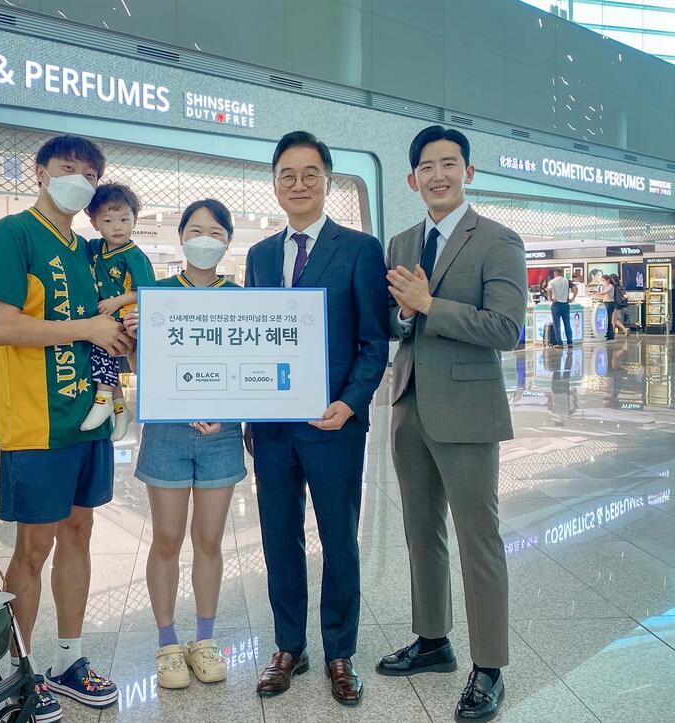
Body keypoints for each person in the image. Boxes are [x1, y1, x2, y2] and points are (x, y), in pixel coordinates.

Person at [0, 134, 131, 719]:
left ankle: (69, 659)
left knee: (81, 533)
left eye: (91, 174)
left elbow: (97, 325)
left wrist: (120, 334)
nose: (80, 180)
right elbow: (6, 327)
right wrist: (87, 330)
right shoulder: (13, 235)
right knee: (34, 545)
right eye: (69, 168)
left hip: (88, 419)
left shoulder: (86, 251)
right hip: (36, 420)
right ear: (40, 172)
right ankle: (21, 668)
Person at [378, 125, 526, 721]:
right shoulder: (400, 243)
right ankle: (433, 640)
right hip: (410, 401)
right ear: (412, 179)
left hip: (468, 408)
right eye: (427, 167)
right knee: (421, 531)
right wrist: (403, 317)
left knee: (478, 537)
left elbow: (506, 329)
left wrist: (429, 306)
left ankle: (489, 666)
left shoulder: (497, 239)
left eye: (450, 164)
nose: (438, 175)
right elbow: (393, 323)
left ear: (468, 172)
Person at [245, 131, 389, 707]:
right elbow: (251, 343)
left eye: (310, 174)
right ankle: (289, 647)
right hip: (274, 430)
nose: (298, 184)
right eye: (287, 174)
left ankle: (338, 652)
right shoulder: (258, 256)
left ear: (327, 181)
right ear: (274, 183)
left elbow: (374, 340)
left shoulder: (358, 248)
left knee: (339, 540)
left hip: (334, 424)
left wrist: (350, 402)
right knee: (279, 538)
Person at [124, 200, 245, 690]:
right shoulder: (154, 297)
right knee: (168, 539)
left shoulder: (242, 299)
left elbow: (250, 369)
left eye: (214, 231)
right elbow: (141, 368)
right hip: (167, 432)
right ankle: (168, 642)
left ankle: (206, 638)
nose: (204, 238)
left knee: (210, 540)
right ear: (180, 237)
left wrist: (229, 410)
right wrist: (132, 344)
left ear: (227, 241)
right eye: (195, 229)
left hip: (222, 435)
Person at [79, 183, 156, 442]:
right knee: (103, 355)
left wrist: (116, 301)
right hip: (104, 317)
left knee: (104, 350)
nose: (118, 226)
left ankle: (103, 400)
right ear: (95, 223)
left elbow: (147, 291)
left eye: (124, 219)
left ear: (135, 219)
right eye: (108, 220)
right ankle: (120, 409)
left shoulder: (134, 256)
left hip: (125, 317)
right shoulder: (95, 248)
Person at [548, 268, 577, 348]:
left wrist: (551, 299)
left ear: (555, 273)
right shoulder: (567, 281)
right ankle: (570, 342)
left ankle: (559, 343)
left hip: (556, 304)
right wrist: (572, 298)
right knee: (567, 324)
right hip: (565, 304)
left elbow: (549, 289)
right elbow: (575, 289)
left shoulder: (552, 282)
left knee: (557, 325)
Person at [597, 274, 616, 340]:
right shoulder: (605, 286)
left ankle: (611, 335)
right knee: (607, 319)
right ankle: (608, 333)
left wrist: (595, 293)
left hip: (609, 303)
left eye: (603, 280)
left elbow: (604, 293)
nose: (602, 282)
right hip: (605, 302)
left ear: (607, 280)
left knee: (608, 319)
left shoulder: (610, 286)